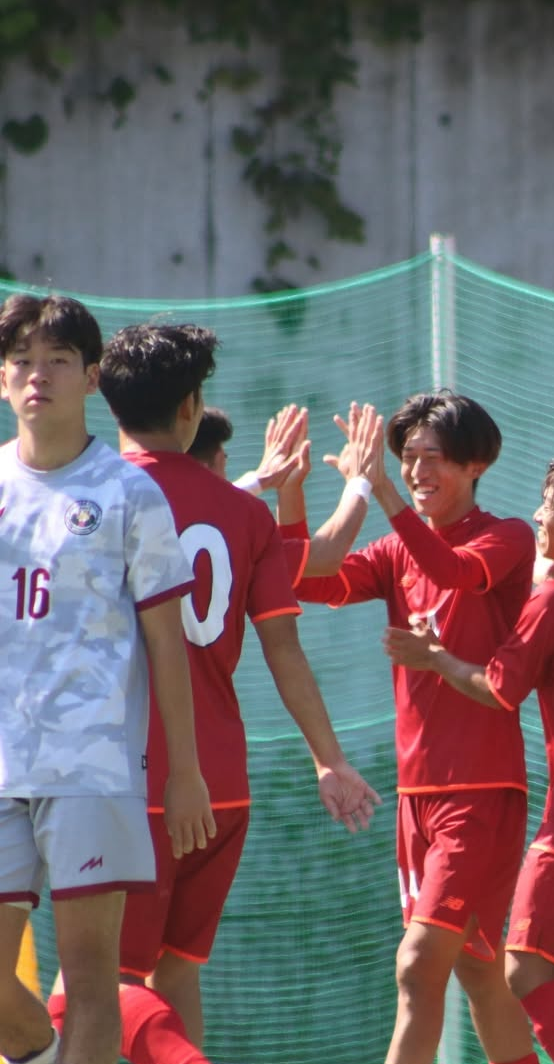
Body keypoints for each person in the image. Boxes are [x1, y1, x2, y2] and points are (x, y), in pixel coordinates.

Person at [45, 323, 381, 1061]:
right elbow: (285, 650)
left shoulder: (83, 498)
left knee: (99, 982)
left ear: (103, 396)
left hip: (126, 780)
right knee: (177, 969)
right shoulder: (242, 510)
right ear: (193, 409)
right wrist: (329, 760)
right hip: (221, 783)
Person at [0, 294, 214, 1064]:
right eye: (21, 358)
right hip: (1, 766)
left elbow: (166, 643)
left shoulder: (130, 493)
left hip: (95, 771)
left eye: (57, 360)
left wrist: (184, 773)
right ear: (0, 377)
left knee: (93, 984)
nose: (37, 375)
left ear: (92, 378)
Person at [294, 392, 539, 1064]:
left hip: (481, 793)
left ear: (476, 462)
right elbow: (307, 581)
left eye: (433, 457)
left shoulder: (507, 536)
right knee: (480, 972)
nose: (416, 469)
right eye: (406, 459)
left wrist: (379, 489)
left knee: (416, 965)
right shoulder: (397, 551)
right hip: (417, 799)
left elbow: (452, 569)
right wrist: (293, 492)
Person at [384, 456, 554, 1064]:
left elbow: (498, 689)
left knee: (523, 969)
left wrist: (437, 659)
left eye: (548, 505)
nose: (536, 515)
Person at [191, 401, 371, 579]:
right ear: (207, 468)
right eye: (225, 458)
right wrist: (360, 479)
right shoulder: (232, 539)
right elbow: (325, 556)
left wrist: (258, 482)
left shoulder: (167, 516)